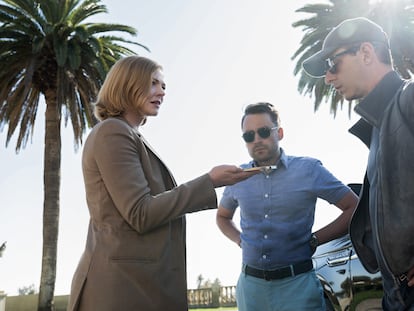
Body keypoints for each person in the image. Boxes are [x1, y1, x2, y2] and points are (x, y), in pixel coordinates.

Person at [67, 56, 257, 311]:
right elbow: (140, 213)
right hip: (121, 289)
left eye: (163, 86)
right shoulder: (113, 132)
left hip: (137, 285)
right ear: (128, 84)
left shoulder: (129, 135)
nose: (162, 92)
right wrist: (209, 181)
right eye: (153, 83)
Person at [302, 17, 414, 310]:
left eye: (332, 64)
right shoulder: (378, 127)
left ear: (365, 53)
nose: (327, 78)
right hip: (396, 295)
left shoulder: (409, 98)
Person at [216, 102, 358, 311]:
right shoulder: (237, 177)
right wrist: (240, 240)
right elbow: (222, 217)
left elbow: (354, 207)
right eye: (249, 136)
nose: (257, 140)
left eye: (263, 132)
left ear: (279, 133)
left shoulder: (309, 170)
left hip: (298, 285)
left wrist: (316, 239)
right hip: (251, 289)